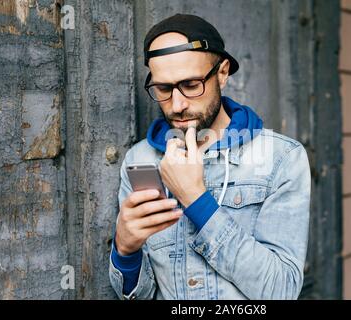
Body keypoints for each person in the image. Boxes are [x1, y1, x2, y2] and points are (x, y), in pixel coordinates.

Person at [109, 13, 311, 300]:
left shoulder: (281, 158)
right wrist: (125, 252)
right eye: (164, 89)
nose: (177, 105)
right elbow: (141, 295)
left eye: (191, 85)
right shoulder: (139, 160)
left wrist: (195, 199)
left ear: (223, 72)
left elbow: (282, 291)